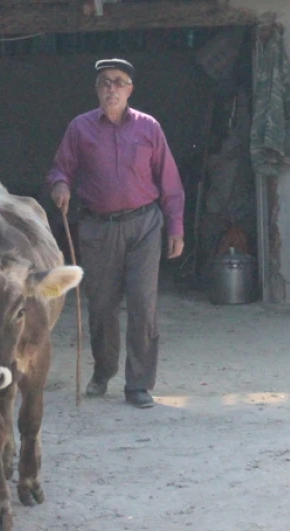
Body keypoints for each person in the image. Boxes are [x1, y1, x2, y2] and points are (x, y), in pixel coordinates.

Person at [45, 58, 185, 409]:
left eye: (119, 82)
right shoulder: (80, 128)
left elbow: (170, 181)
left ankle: (138, 384)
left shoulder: (149, 128)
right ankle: (103, 371)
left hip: (144, 226)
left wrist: (176, 227)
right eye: (105, 82)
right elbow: (61, 169)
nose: (112, 88)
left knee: (142, 304)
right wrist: (60, 186)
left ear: (129, 89)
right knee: (102, 307)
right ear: (97, 89)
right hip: (98, 228)